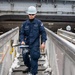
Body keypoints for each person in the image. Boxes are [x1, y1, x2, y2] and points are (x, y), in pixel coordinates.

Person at [20, 6, 47, 75]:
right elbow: (22, 33)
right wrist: (22, 40)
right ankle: (30, 67)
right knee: (25, 58)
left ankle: (33, 72)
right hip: (26, 44)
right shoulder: (25, 24)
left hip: (35, 44)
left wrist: (43, 42)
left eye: (32, 14)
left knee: (34, 58)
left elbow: (43, 32)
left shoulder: (38, 23)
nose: (31, 16)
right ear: (28, 14)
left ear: (35, 14)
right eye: (30, 14)